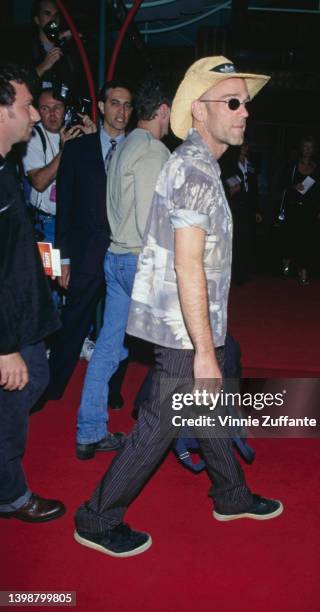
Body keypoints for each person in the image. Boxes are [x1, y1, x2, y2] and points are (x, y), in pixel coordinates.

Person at [74, 56, 283, 558]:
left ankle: (231, 495)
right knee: (157, 427)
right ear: (199, 111)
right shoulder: (193, 169)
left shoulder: (200, 165)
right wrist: (206, 352)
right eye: (232, 102)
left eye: (246, 103)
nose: (244, 112)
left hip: (190, 326)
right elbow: (189, 265)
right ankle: (96, 518)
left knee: (205, 408)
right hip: (183, 332)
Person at [74, 79, 171, 460]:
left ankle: (90, 432)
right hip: (137, 262)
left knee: (107, 350)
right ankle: (163, 435)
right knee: (177, 352)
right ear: (162, 110)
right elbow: (153, 221)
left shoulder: (125, 145)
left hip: (115, 258)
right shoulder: (152, 151)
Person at [43, 81, 133, 412]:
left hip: (125, 253)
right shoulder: (78, 151)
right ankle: (52, 387)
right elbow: (64, 209)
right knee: (73, 321)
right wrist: (62, 260)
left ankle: (111, 390)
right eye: (115, 103)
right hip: (83, 255)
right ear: (101, 106)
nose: (121, 111)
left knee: (119, 327)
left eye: (127, 105)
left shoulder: (138, 150)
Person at [0, 63, 65, 523]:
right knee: (15, 398)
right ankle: (11, 493)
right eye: (26, 106)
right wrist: (4, 349)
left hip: (24, 308)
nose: (36, 116)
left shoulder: (6, 166)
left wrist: (52, 263)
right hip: (8, 325)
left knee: (37, 379)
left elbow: (20, 234)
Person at [23, 87, 95, 245]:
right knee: (48, 270)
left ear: (66, 110)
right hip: (46, 224)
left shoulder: (76, 133)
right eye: (45, 108)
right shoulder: (33, 136)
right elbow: (39, 183)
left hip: (75, 222)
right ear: (38, 111)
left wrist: (93, 141)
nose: (52, 114)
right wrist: (65, 150)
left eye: (57, 107)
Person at [279, 136, 320, 285]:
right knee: (290, 239)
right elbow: (281, 183)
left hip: (309, 210)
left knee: (306, 241)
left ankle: (303, 271)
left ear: (314, 150)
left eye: (310, 147)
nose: (307, 150)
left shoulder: (317, 168)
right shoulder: (292, 165)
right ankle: (286, 265)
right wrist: (293, 186)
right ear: (301, 148)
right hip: (293, 207)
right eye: (305, 146)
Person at [222, 141, 261, 284]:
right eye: (242, 145)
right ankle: (233, 274)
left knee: (247, 240)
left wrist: (257, 209)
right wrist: (231, 190)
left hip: (248, 208)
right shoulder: (229, 164)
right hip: (235, 206)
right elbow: (225, 184)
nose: (244, 148)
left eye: (246, 145)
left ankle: (244, 272)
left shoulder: (251, 165)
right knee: (234, 240)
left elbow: (255, 188)